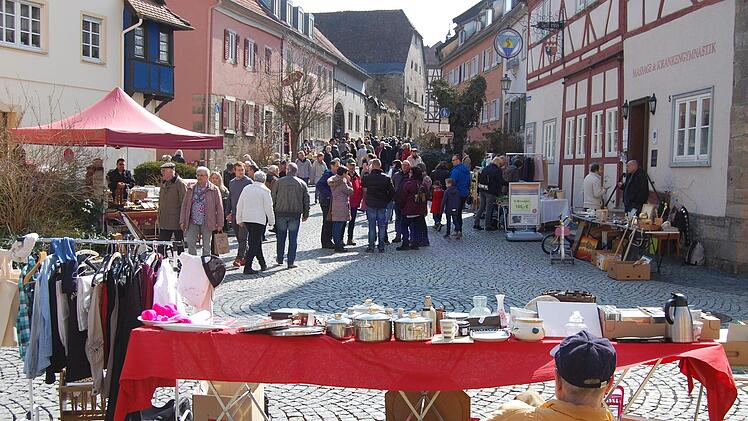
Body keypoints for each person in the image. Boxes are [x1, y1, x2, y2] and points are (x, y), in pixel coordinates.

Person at [483, 331, 616, 421]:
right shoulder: (608, 416)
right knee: (530, 396)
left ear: (557, 380)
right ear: (610, 385)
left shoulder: (511, 415)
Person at [271, 163, 310, 269]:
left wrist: (272, 211)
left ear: (287, 170)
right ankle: (291, 261)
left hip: (280, 213)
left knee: (281, 237)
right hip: (295, 214)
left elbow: (273, 197)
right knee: (293, 238)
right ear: (296, 171)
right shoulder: (301, 183)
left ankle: (279, 258)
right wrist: (306, 213)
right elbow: (306, 199)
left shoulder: (279, 182)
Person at [236, 171, 274, 275]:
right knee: (254, 243)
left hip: (247, 219)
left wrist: (239, 219)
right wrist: (271, 221)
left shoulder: (246, 188)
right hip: (259, 220)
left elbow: (240, 204)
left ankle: (262, 263)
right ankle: (248, 266)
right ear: (264, 180)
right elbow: (268, 208)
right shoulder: (265, 191)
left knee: (256, 241)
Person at [179, 166, 224, 256]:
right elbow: (184, 206)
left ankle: (205, 265)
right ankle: (194, 265)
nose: (199, 177)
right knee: (191, 245)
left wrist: (220, 224)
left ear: (207, 177)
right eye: (198, 175)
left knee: (206, 246)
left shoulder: (214, 189)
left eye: (202, 175)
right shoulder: (191, 188)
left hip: (207, 221)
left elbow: (219, 208)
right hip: (192, 221)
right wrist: (182, 221)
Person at [361, 159, 394, 253]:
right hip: (382, 204)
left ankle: (371, 246)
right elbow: (392, 192)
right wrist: (386, 200)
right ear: (380, 166)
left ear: (372, 166)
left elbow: (364, 190)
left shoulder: (367, 177)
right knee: (382, 226)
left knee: (371, 226)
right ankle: (381, 246)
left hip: (371, 204)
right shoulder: (386, 178)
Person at [157, 162, 187, 254]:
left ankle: (181, 262)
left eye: (164, 171)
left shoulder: (180, 183)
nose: (162, 174)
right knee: (161, 245)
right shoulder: (164, 183)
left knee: (179, 244)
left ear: (171, 172)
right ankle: (161, 263)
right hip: (164, 220)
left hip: (176, 220)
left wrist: (183, 220)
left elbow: (184, 202)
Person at [396, 166, 428, 251]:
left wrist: (401, 206)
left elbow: (403, 197)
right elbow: (425, 199)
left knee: (404, 226)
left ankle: (405, 243)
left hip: (408, 210)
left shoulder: (408, 184)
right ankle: (415, 244)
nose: (409, 174)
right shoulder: (423, 184)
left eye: (410, 172)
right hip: (419, 210)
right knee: (417, 227)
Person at [227, 162, 253, 267]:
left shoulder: (248, 182)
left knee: (243, 237)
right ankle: (246, 257)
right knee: (238, 237)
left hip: (245, 214)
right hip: (234, 213)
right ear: (235, 171)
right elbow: (230, 198)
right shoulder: (232, 182)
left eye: (242, 170)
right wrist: (228, 212)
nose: (241, 172)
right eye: (239, 170)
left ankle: (238, 258)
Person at [474, 157, 508, 231]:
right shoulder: (497, 170)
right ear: (498, 163)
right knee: (489, 209)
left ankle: (476, 223)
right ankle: (487, 225)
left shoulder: (486, 167)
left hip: (482, 189)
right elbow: (500, 181)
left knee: (481, 207)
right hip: (491, 191)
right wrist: (509, 183)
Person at [328, 166, 354, 252]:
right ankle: (338, 245)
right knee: (339, 227)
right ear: (343, 174)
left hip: (335, 205)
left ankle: (337, 244)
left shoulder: (333, 179)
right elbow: (350, 191)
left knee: (336, 225)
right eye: (346, 173)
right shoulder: (342, 182)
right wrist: (349, 182)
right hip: (342, 206)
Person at [316, 158, 340, 249]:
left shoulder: (335, 175)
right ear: (332, 166)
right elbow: (319, 185)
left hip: (331, 202)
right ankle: (325, 241)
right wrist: (329, 195)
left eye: (339, 166)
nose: (338, 168)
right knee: (327, 221)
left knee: (330, 221)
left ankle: (329, 240)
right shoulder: (328, 174)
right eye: (336, 166)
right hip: (326, 202)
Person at [391, 160, 412, 243]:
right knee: (398, 218)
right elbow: (392, 186)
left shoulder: (411, 175)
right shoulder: (396, 175)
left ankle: (407, 236)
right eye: (403, 165)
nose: (404, 166)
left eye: (406, 165)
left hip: (408, 201)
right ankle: (398, 235)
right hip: (398, 200)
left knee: (408, 219)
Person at [345, 159, 363, 246]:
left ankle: (350, 238)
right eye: (350, 165)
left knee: (352, 222)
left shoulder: (357, 176)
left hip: (355, 203)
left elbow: (360, 187)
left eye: (353, 165)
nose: (352, 167)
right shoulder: (344, 176)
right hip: (345, 203)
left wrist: (360, 199)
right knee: (343, 222)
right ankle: (340, 240)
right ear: (347, 165)